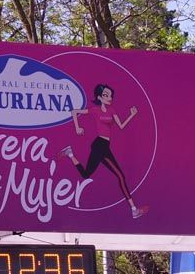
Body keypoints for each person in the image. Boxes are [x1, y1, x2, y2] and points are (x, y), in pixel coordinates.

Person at [61, 83, 148, 218]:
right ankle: (133, 209)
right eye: (106, 95)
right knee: (120, 176)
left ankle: (70, 153)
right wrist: (77, 127)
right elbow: (74, 112)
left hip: (104, 146)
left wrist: (131, 115)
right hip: (100, 145)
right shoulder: (95, 110)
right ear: (99, 97)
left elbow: (121, 126)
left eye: (110, 95)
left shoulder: (112, 110)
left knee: (85, 174)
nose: (109, 97)